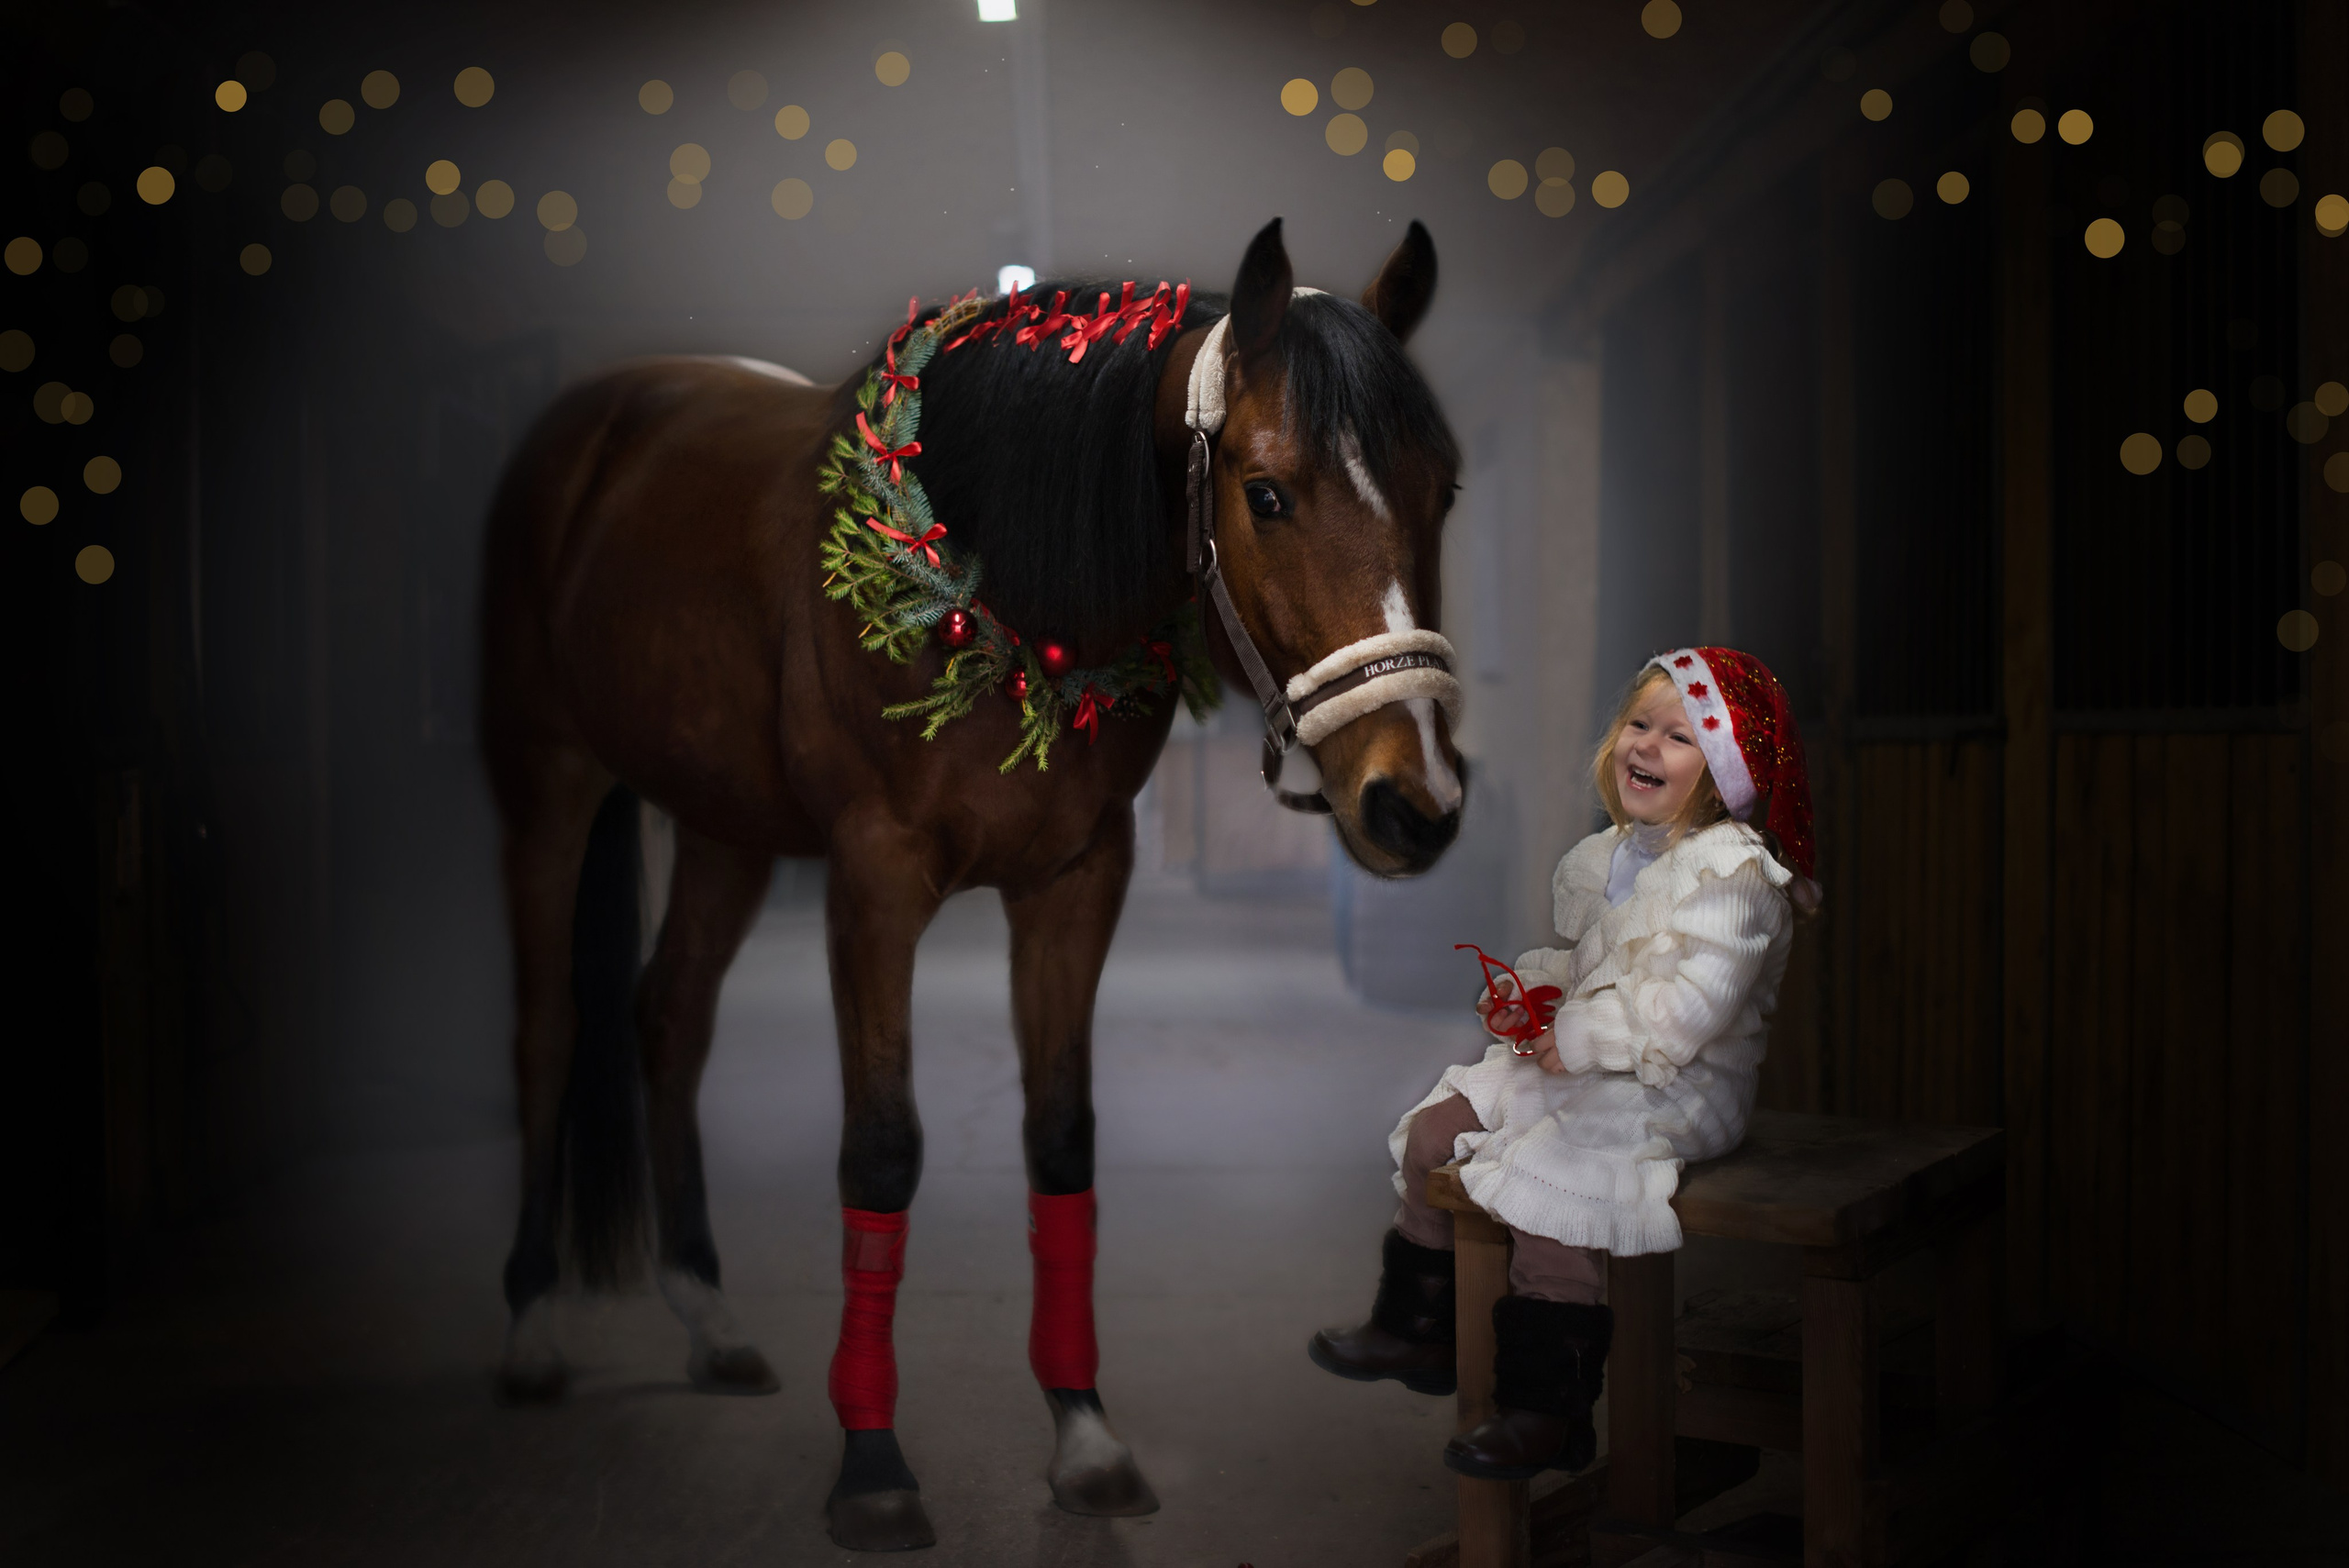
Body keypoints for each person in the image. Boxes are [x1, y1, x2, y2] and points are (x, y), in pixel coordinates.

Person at [1309, 647, 1818, 1479]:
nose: (1644, 746)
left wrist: (1578, 1036)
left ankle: (1550, 1408)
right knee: (1440, 1127)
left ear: (1724, 769)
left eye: (1678, 737)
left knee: (1556, 1175)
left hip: (1681, 1086)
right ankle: (1420, 1324)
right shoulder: (1612, 858)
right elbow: (1591, 969)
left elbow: (1690, 1014)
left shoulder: (1734, 877)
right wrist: (1535, 992)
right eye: (1638, 725)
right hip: (1599, 1056)